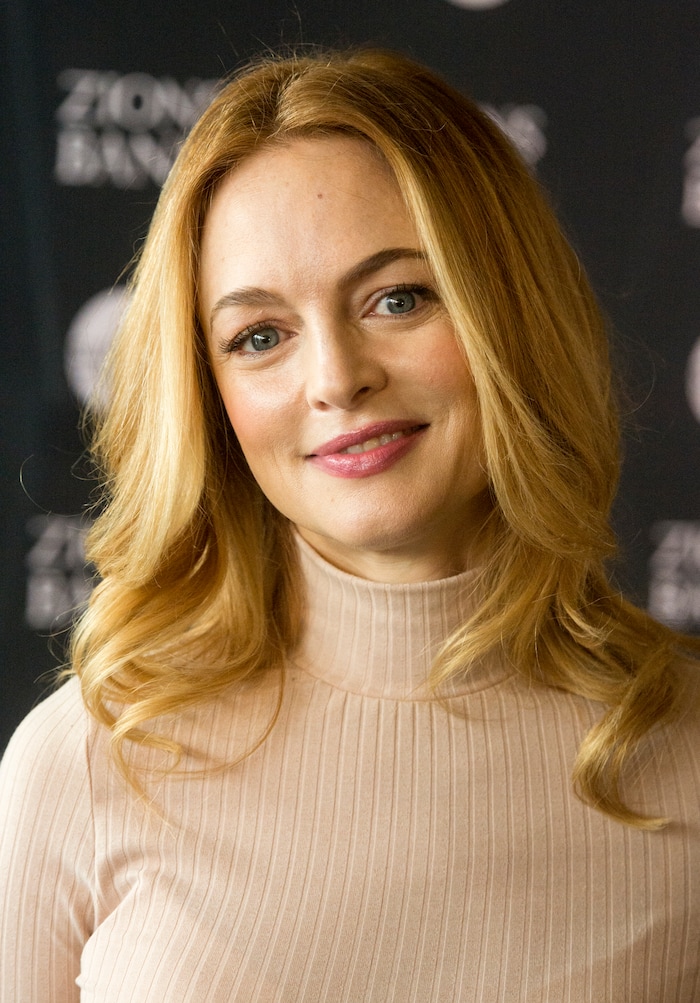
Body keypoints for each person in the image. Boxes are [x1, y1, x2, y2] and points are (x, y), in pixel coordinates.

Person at [1, 48, 699, 1002]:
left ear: (509, 311)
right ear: (210, 398)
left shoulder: (687, 750)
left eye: (397, 298)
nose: (335, 378)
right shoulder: (83, 762)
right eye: (260, 336)